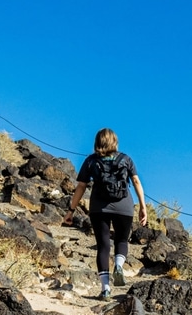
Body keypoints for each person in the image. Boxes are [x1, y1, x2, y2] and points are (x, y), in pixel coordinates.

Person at [63, 128, 147, 298]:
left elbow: (81, 187)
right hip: (124, 206)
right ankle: (118, 265)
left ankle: (105, 289)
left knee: (103, 246)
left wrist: (71, 210)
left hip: (99, 208)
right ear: (114, 141)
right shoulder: (126, 159)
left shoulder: (91, 161)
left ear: (97, 142)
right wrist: (143, 207)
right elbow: (136, 181)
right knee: (121, 240)